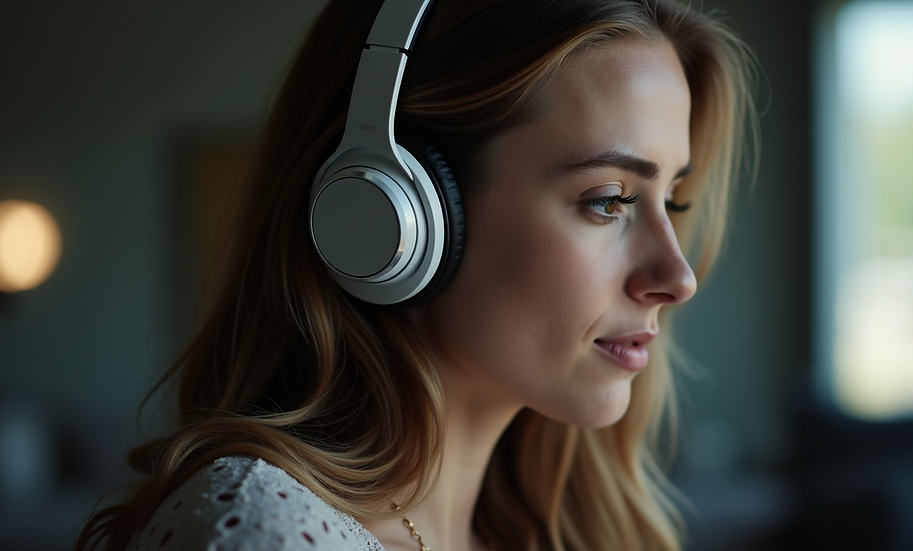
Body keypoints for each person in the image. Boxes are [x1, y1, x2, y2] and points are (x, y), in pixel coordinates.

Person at [76, 0, 756, 549]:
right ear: (394, 209)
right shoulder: (261, 533)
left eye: (673, 199)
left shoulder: (573, 531)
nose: (677, 276)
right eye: (608, 200)